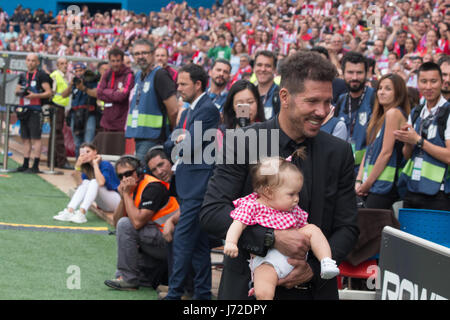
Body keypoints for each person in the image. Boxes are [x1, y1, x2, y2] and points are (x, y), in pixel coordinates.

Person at [199, 51, 359, 300]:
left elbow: (348, 227)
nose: (322, 111)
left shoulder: (338, 152)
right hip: (249, 291)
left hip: (314, 291)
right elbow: (211, 213)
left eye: (327, 102)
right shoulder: (244, 142)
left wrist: (313, 269)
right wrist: (271, 238)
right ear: (284, 97)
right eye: (313, 101)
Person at [224, 155, 340, 300]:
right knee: (263, 290)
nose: (297, 198)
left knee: (313, 229)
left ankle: (326, 261)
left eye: (297, 193)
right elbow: (238, 224)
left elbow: (304, 229)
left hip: (295, 255)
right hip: (267, 260)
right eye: (291, 194)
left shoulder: (292, 208)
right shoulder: (253, 205)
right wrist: (231, 242)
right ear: (268, 192)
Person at [164, 63, 220, 300]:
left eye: (183, 83)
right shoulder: (187, 111)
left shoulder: (207, 109)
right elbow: (170, 144)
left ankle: (174, 294)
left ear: (198, 84)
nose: (178, 88)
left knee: (183, 239)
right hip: (188, 183)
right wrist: (180, 141)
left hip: (199, 185)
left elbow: (188, 146)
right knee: (197, 245)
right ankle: (203, 295)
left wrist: (180, 141)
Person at [104, 155, 179, 290]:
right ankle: (131, 276)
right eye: (121, 176)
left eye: (128, 173)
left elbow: (137, 223)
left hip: (172, 242)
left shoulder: (152, 187)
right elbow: (115, 223)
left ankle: (128, 279)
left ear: (138, 171)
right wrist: (123, 197)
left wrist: (127, 195)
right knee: (123, 224)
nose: (125, 179)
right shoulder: (131, 188)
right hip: (158, 239)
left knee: (126, 225)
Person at [394, 62, 450, 211]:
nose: (428, 87)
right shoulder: (416, 112)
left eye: (433, 81)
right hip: (413, 188)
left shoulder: (448, 112)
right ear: (418, 83)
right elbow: (407, 155)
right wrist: (406, 140)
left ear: (441, 82)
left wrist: (418, 140)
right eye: (424, 82)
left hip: (439, 193)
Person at [355, 74, 410, 210]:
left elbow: (386, 153)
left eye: (388, 89)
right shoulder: (377, 118)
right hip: (371, 184)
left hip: (385, 186)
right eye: (380, 88)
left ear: (398, 93)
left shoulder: (394, 113)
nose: (382, 92)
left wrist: (366, 184)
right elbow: (368, 152)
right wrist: (359, 180)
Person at [125, 39, 179, 162]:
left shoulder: (160, 75)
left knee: (138, 173)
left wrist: (171, 133)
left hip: (155, 137)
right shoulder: (138, 75)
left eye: (144, 53)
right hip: (139, 134)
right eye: (137, 54)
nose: (140, 57)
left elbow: (174, 110)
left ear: (153, 54)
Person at [53, 143, 121, 224]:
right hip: (103, 205)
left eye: (88, 152)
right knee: (85, 182)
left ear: (95, 152)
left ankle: (82, 213)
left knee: (94, 181)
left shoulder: (105, 164)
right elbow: (79, 184)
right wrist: (78, 165)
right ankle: (70, 210)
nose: (85, 155)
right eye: (82, 153)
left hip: (117, 202)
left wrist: (95, 164)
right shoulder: (86, 167)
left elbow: (101, 182)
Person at [335, 51, 376, 174]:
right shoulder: (341, 100)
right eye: (350, 72)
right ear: (343, 73)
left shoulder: (375, 98)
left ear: (367, 73)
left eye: (359, 73)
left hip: (365, 171)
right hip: (343, 169)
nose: (354, 77)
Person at [14, 53, 52, 173]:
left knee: (36, 138)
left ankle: (35, 165)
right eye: (28, 60)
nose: (30, 62)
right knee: (25, 138)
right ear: (26, 61)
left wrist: (35, 95)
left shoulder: (41, 75)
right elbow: (16, 90)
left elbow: (49, 92)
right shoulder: (22, 75)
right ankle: (25, 164)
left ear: (37, 62)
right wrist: (21, 92)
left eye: (33, 61)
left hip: (35, 109)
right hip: (24, 109)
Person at [62, 62, 99, 158]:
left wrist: (84, 88)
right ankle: (78, 166)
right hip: (75, 114)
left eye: (81, 70)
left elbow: (96, 94)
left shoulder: (91, 81)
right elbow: (63, 95)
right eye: (76, 71)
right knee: (77, 142)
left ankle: (87, 167)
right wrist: (71, 84)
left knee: (88, 142)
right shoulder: (75, 82)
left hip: (89, 113)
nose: (78, 73)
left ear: (85, 70)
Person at [96, 47, 135, 133]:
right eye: (113, 61)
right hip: (106, 121)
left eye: (118, 61)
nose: (115, 64)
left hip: (121, 123)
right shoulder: (107, 73)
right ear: (109, 61)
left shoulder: (128, 75)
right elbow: (99, 93)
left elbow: (122, 96)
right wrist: (115, 93)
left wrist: (106, 91)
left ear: (122, 61)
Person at [49, 57, 72, 169]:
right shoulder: (55, 75)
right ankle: (61, 161)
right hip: (56, 106)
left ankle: (53, 160)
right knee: (57, 134)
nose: (65, 65)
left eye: (66, 63)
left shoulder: (64, 76)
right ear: (57, 65)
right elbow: (52, 92)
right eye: (62, 63)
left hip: (60, 107)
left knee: (55, 134)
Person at [253, 50, 280, 120]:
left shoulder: (281, 96)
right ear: (254, 68)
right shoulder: (248, 94)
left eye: (267, 66)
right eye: (259, 65)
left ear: (274, 70)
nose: (263, 69)